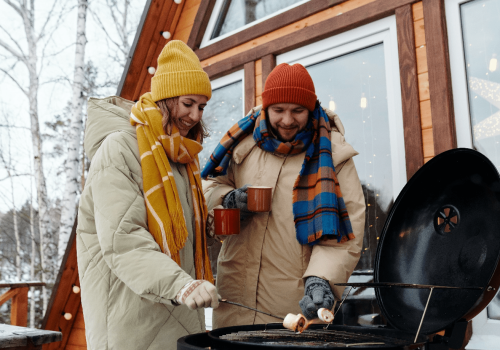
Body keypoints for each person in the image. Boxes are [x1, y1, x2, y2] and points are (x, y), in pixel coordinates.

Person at [76, 40, 219, 350]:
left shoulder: (179, 157)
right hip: (131, 322)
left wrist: (214, 220)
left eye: (202, 106)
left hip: (176, 315)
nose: (195, 115)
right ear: (165, 99)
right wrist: (181, 284)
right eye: (187, 103)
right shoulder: (120, 149)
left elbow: (180, 229)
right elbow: (123, 240)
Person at [202, 63, 366, 329]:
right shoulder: (242, 143)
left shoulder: (335, 155)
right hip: (233, 299)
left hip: (293, 306)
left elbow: (347, 233)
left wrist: (321, 279)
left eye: (297, 111)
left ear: (310, 109)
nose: (287, 120)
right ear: (266, 108)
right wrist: (229, 200)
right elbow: (209, 189)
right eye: (278, 110)